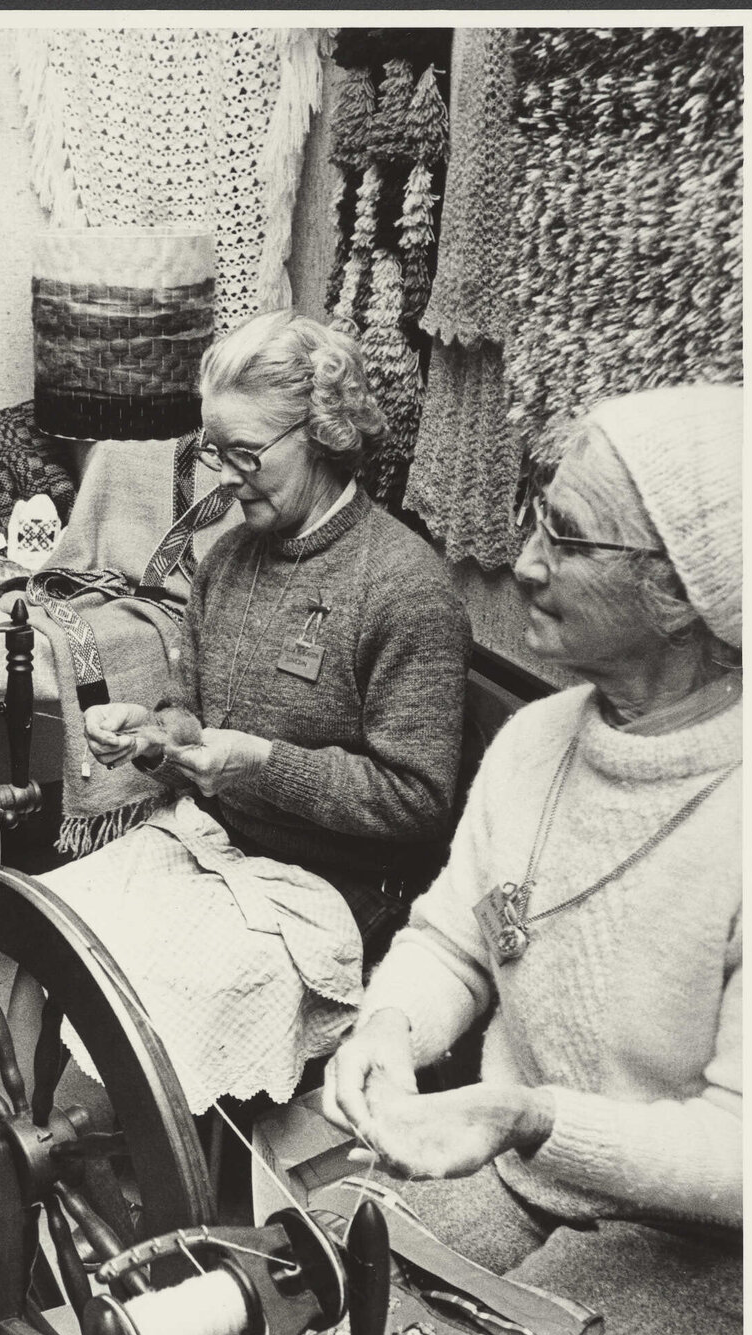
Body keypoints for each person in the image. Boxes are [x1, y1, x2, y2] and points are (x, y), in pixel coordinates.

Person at [300, 384, 743, 1335]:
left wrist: (519, 1116)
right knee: (309, 1269)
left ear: (675, 586)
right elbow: (450, 936)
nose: (522, 560)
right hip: (533, 1166)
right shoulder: (544, 740)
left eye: (563, 535)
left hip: (710, 1248)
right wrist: (387, 1026)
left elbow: (746, 1156)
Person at [29, 311, 471, 1116]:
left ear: (326, 433)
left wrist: (260, 763)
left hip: (345, 886)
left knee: (162, 980)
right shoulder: (227, 559)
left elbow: (419, 802)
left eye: (245, 453)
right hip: (219, 844)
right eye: (213, 451)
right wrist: (159, 734)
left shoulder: (403, 586)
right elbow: (196, 714)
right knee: (50, 923)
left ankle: (155, 1172)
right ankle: (52, 1141)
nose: (225, 477)